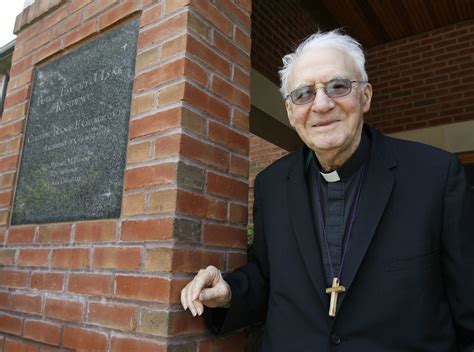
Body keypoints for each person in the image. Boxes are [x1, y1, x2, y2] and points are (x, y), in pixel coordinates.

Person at [180, 30, 474, 351]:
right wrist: (230, 291)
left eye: (338, 86)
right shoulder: (271, 185)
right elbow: (268, 276)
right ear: (292, 113)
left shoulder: (435, 175)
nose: (321, 104)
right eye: (303, 94)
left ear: (365, 96)